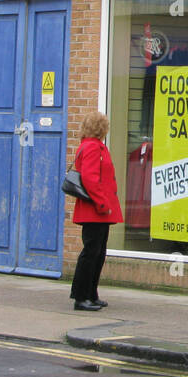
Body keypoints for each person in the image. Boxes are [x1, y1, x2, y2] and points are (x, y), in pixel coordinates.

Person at [69, 111, 123, 311]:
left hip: (98, 209)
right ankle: (81, 297)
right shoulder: (93, 148)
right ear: (102, 128)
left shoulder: (93, 146)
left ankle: (91, 294)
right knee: (91, 253)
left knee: (98, 253)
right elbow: (91, 180)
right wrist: (102, 204)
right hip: (96, 210)